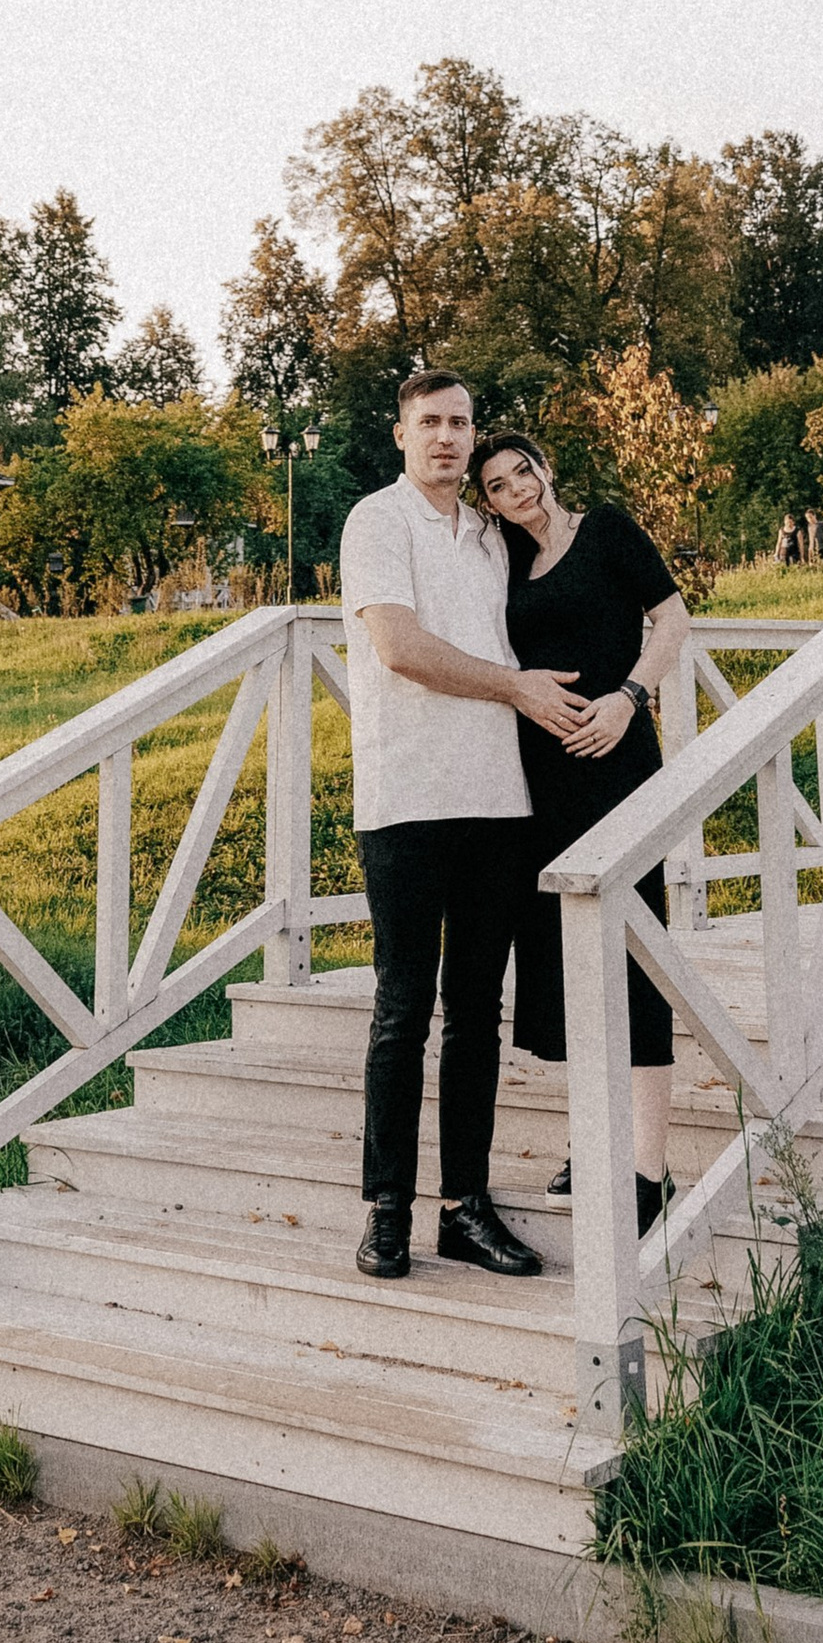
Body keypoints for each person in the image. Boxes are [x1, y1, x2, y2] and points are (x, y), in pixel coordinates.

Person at [338, 368, 592, 1282]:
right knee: (403, 1009)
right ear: (402, 433)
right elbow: (400, 648)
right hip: (407, 798)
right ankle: (387, 1212)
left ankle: (465, 1210)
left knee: (477, 1014)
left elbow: (565, 585)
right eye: (431, 422)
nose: (447, 437)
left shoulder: (491, 534)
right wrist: (514, 687)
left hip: (500, 801)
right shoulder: (376, 521)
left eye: (461, 423)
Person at [470, 432, 689, 1238]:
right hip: (542, 781)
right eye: (497, 486)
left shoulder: (607, 530)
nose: (516, 490)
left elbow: (672, 619)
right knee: (567, 961)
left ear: (545, 467)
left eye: (522, 471)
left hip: (617, 762)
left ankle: (649, 1168)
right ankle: (596, 1145)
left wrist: (629, 697)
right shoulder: (504, 564)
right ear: (490, 504)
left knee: (632, 953)